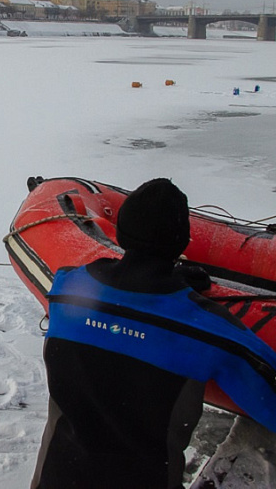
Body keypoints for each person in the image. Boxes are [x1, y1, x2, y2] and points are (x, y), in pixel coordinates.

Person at [31, 178, 276, 489]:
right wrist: (179, 287)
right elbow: (268, 397)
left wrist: (164, 280)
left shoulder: (66, 289)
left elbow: (119, 301)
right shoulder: (208, 330)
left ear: (118, 233)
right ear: (183, 242)